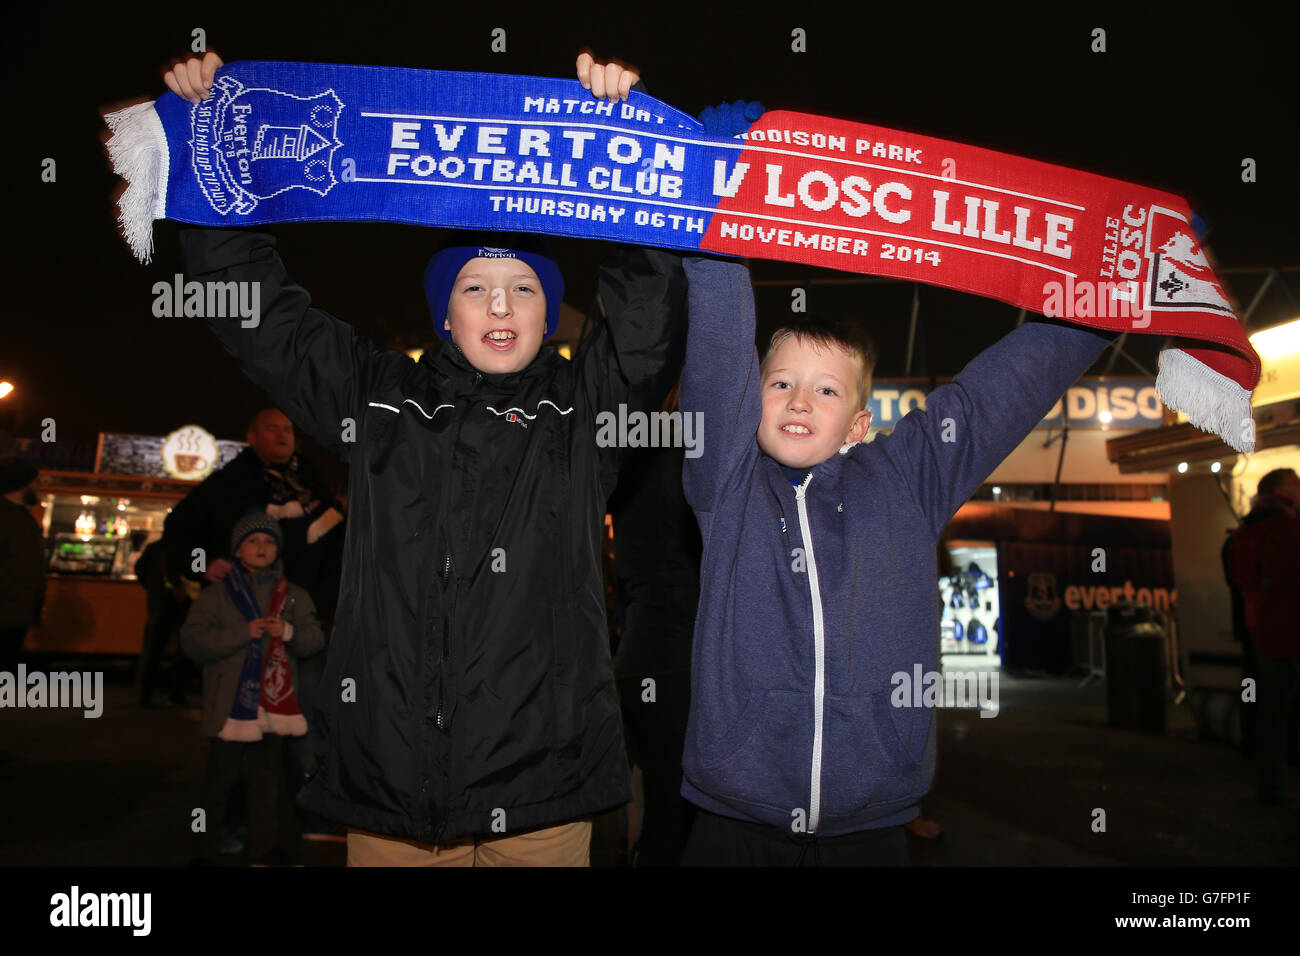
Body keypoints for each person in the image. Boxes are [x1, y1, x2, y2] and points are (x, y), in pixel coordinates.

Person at [162, 51, 687, 866]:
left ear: (553, 315)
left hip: (543, 788)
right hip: (390, 788)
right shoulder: (378, 401)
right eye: (476, 287)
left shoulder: (587, 413)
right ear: (446, 314)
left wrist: (625, 148)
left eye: (524, 288)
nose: (502, 304)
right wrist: (210, 155)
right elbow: (264, 321)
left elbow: (650, 318)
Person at [676, 258, 1109, 866]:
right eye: (780, 383)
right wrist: (715, 245)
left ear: (858, 424)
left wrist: (1107, 294)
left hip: (870, 827)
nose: (799, 400)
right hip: (733, 821)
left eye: (825, 389)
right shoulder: (726, 482)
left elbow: (995, 396)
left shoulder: (905, 479)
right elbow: (719, 361)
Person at [181, 512, 325, 865]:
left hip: (274, 708)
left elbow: (315, 639)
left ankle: (262, 852)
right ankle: (204, 851)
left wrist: (288, 633)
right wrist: (240, 635)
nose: (262, 548)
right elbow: (192, 641)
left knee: (267, 784)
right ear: (237, 550)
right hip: (228, 706)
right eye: (253, 541)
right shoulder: (217, 596)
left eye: (270, 541)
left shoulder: (295, 595)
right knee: (218, 786)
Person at [607, 389, 701, 866]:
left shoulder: (629, 460)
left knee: (648, 808)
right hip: (678, 663)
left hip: (635, 659)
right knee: (677, 819)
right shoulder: (693, 465)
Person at [1226, 467, 1300, 804]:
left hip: (1264, 630)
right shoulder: (1283, 526)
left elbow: (1243, 580)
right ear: (1282, 490)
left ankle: (1271, 782)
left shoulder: (1249, 528)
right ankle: (1274, 784)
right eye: (1295, 483)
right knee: (1276, 709)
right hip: (1282, 629)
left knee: (1271, 710)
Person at [0, 456, 46, 673]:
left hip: (17, 612)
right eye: (35, 482)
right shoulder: (10, 520)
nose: (38, 487)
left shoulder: (24, 519)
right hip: (8, 611)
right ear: (21, 485)